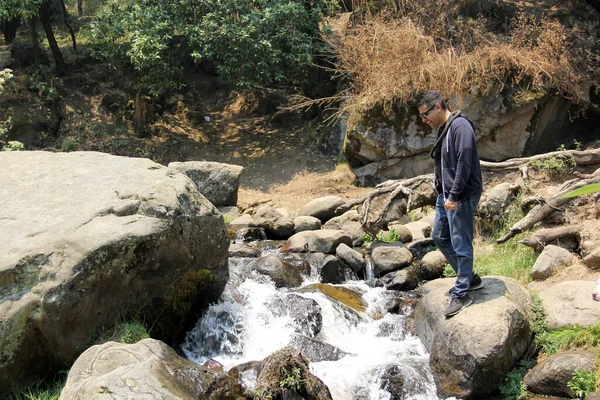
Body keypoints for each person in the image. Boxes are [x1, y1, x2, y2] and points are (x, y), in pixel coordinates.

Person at [417, 90, 483, 317]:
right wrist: (442, 190)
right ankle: (470, 278)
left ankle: (462, 292)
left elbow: (464, 163)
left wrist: (454, 195)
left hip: (461, 194)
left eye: (425, 114)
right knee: (439, 236)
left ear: (437, 106)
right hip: (446, 193)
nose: (424, 120)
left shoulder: (460, 126)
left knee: (460, 242)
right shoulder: (443, 129)